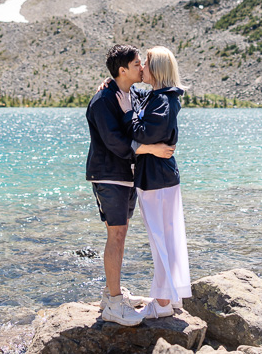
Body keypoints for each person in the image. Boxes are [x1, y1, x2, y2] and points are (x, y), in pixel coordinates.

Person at [85, 44, 175, 326]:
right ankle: (113, 302)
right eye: (137, 64)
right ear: (123, 70)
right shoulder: (103, 100)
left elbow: (144, 119)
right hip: (109, 175)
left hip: (126, 176)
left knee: (120, 234)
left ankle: (111, 294)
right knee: (117, 235)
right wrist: (151, 150)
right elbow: (116, 144)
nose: (141, 67)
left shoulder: (131, 93)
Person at [117, 46, 191, 319]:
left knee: (162, 240)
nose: (141, 68)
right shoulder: (160, 96)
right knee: (165, 239)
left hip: (157, 179)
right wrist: (119, 85)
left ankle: (161, 303)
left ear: (156, 69)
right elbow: (139, 100)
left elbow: (144, 133)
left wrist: (126, 113)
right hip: (159, 177)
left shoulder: (163, 101)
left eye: (145, 63)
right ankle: (169, 298)